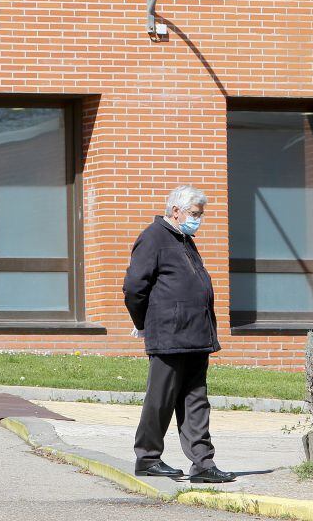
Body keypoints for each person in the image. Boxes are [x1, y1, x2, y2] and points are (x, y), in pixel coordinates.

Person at [122, 185, 235, 483]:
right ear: (176, 211)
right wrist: (142, 322)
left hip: (196, 335)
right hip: (169, 335)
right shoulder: (153, 237)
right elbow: (134, 287)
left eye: (200, 214)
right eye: (195, 214)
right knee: (160, 398)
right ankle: (147, 458)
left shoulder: (185, 240)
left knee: (196, 400)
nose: (198, 220)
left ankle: (202, 463)